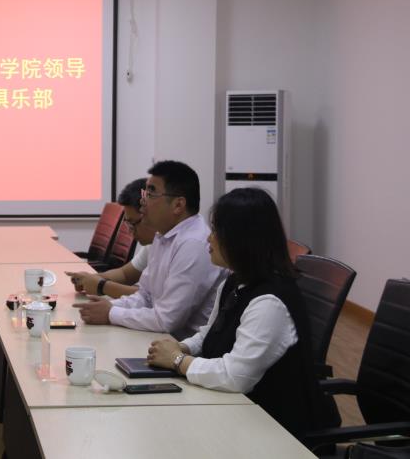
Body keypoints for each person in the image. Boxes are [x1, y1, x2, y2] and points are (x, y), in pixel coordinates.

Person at [146, 187, 338, 438]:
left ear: (241, 238)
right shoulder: (236, 281)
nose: (208, 239)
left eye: (216, 231)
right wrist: (181, 347)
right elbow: (209, 334)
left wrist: (177, 361)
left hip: (277, 432)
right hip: (238, 412)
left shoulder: (270, 301)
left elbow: (235, 376)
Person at [73, 160, 224, 339]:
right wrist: (110, 307)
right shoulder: (163, 236)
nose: (143, 201)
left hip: (185, 347)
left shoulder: (193, 244)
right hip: (158, 338)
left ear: (178, 205)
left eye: (151, 193)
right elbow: (146, 297)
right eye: (145, 192)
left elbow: (167, 320)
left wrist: (111, 313)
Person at [65, 178, 156, 299]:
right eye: (127, 224)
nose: (130, 231)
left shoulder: (178, 245)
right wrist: (91, 279)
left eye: (133, 223)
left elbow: (153, 298)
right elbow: (125, 274)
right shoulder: (155, 243)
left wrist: (101, 286)